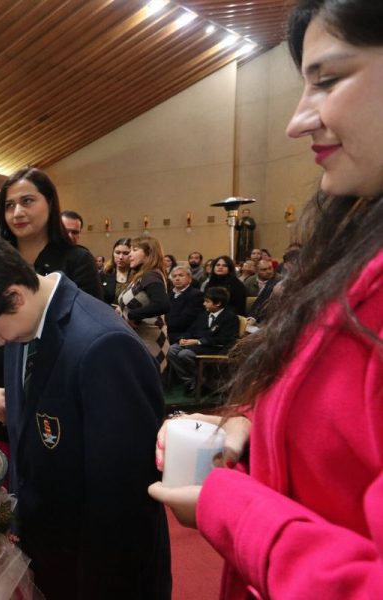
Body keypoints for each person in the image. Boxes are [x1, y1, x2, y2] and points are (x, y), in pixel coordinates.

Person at [149, 1, 383, 598]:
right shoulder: (357, 252)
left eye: (328, 81)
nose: (297, 122)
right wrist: (248, 427)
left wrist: (226, 505)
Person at [0, 232, 171, 599]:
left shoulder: (103, 346)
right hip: (51, 557)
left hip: (99, 572)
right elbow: (27, 456)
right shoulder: (23, 332)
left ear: (14, 295)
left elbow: (124, 504)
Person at [0, 168, 101, 453]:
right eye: (9, 205)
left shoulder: (77, 260)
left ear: (50, 202)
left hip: (55, 393)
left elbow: (88, 328)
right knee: (3, 478)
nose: (17, 213)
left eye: (27, 201)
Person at [166, 286, 240, 395]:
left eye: (207, 301)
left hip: (216, 348)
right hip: (197, 345)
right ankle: (192, 381)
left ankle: (204, 381)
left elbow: (225, 339)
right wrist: (183, 338)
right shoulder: (203, 315)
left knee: (184, 354)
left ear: (218, 303)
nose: (204, 304)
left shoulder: (230, 318)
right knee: (172, 350)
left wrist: (198, 341)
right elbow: (191, 330)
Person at [117, 235, 171, 372]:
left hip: (150, 341)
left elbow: (163, 304)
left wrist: (133, 315)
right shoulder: (142, 275)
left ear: (148, 254)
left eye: (134, 250)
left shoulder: (150, 275)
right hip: (140, 338)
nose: (130, 254)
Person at [167, 265, 204, 344]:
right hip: (169, 332)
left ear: (190, 279)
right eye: (174, 276)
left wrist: (165, 326)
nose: (177, 278)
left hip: (184, 335)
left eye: (181, 275)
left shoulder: (196, 295)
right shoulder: (169, 294)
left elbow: (187, 319)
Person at [100, 237, 132, 305]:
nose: (120, 257)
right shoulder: (104, 273)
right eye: (117, 252)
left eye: (125, 253)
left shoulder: (138, 275)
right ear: (113, 253)